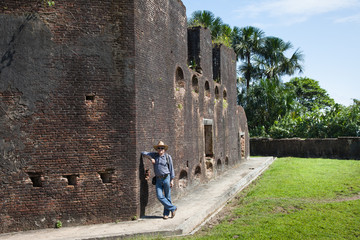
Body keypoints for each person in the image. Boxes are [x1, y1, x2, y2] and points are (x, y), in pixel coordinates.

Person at [141, 141, 177, 219]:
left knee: (167, 196)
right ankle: (173, 208)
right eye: (159, 148)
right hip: (158, 179)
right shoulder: (154, 155)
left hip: (166, 177)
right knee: (159, 196)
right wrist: (151, 159)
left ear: (164, 150)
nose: (160, 149)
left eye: (162, 148)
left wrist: (172, 180)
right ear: (157, 149)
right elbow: (143, 153)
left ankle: (166, 214)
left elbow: (171, 168)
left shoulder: (168, 157)